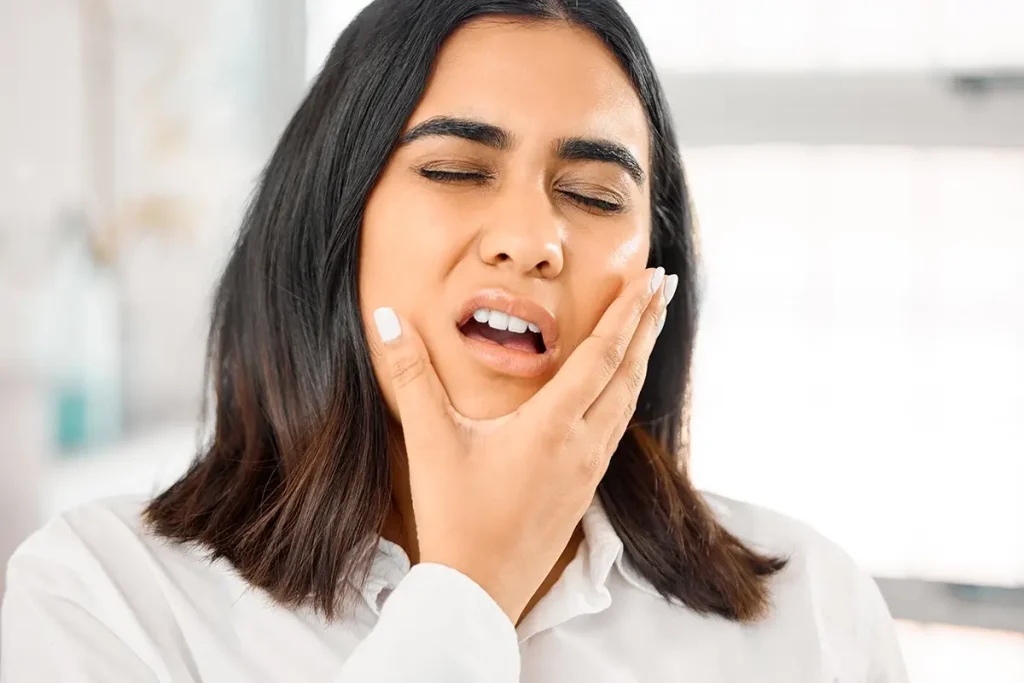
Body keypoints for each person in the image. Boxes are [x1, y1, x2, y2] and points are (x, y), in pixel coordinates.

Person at [0, 1, 909, 681]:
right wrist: (468, 587)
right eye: (455, 169)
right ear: (332, 222)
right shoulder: (103, 595)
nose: (532, 238)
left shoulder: (812, 614)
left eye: (594, 194)